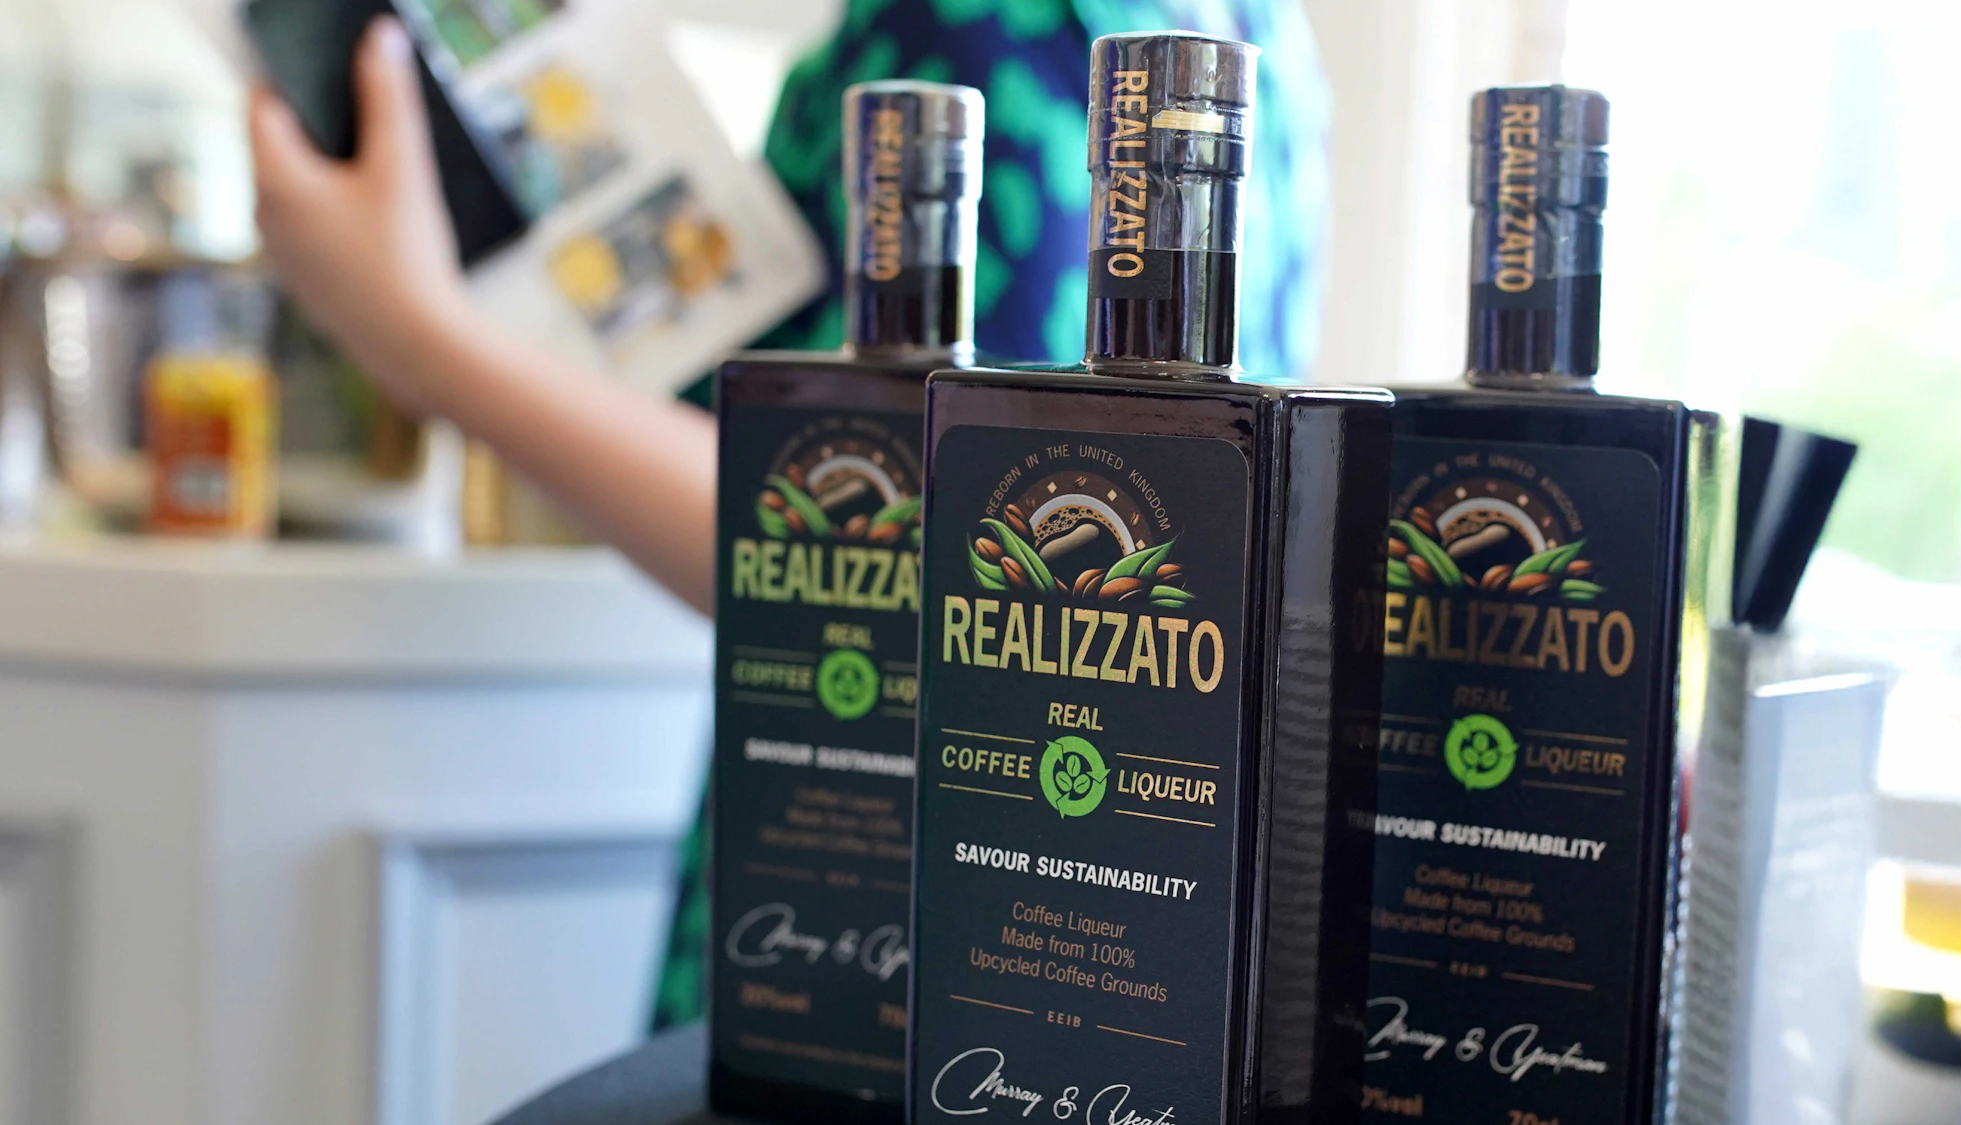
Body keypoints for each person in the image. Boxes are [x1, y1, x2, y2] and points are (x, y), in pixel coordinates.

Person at [251, 0, 1327, 1108]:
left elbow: (915, 566)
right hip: (1087, 918)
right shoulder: (1265, 40)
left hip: (924, 906)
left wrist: (420, 338)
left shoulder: (974, 30)